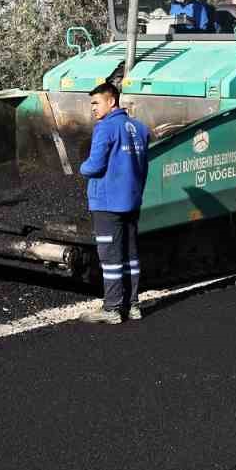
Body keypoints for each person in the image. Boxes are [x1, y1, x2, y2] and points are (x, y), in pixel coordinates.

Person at [79, 82, 151, 325]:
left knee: (110, 256)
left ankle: (111, 309)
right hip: (132, 200)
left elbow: (95, 165)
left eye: (96, 102)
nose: (93, 108)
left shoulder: (105, 128)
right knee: (130, 255)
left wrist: (82, 168)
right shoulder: (140, 128)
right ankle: (133, 306)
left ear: (111, 101)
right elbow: (143, 168)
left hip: (107, 203)